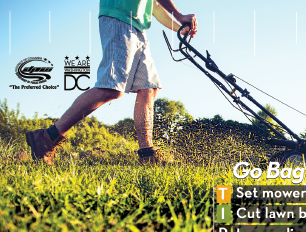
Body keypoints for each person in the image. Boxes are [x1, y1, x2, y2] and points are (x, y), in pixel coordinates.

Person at [25, 0, 197, 165]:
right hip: (119, 18)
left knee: (148, 88)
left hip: (138, 27)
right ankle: (47, 137)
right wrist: (180, 15)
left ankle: (147, 155)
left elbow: (154, 5)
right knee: (111, 88)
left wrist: (178, 27)